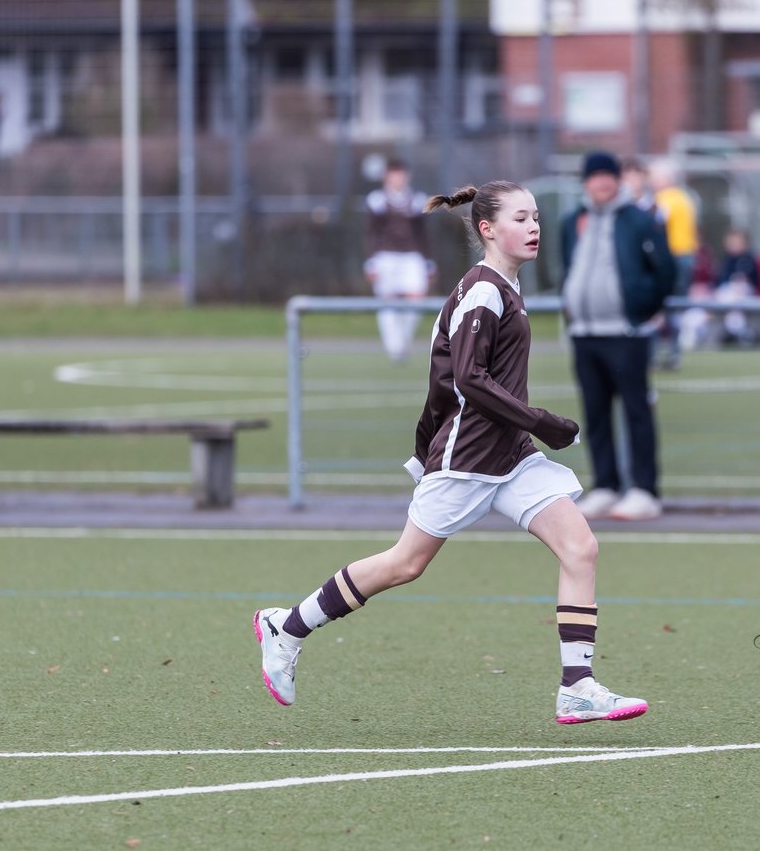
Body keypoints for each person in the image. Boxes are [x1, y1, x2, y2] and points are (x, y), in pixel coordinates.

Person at [255, 180, 649, 725]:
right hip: (468, 459)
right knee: (403, 564)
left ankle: (577, 686)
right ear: (487, 229)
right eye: (519, 218)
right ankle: (287, 626)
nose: (533, 227)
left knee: (580, 548)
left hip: (509, 457)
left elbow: (443, 384)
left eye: (535, 217)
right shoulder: (484, 291)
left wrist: (455, 436)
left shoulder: (502, 288)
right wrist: (541, 423)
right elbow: (467, 378)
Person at [560, 151, 676, 522]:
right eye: (595, 177)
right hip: (584, 332)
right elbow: (566, 264)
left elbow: (665, 270)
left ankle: (644, 489)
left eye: (608, 176)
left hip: (626, 333)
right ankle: (606, 486)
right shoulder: (572, 221)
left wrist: (642, 304)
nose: (602, 183)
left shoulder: (639, 219)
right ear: (585, 182)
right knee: (595, 414)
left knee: (636, 411)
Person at [363, 159, 435, 362]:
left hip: (412, 257)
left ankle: (403, 340)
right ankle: (394, 347)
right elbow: (371, 233)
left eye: (401, 173)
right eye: (393, 173)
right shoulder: (376, 200)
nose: (397, 178)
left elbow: (423, 234)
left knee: (416, 299)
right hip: (385, 257)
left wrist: (428, 261)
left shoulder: (417, 200)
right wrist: (371, 261)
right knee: (388, 303)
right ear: (386, 176)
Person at [650, 158, 699, 370]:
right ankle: (673, 353)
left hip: (671, 258)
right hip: (686, 255)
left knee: (656, 306)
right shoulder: (685, 198)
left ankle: (653, 354)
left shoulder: (664, 199)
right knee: (677, 307)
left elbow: (655, 225)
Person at [716, 229, 760, 344]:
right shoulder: (726, 260)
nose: (735, 244)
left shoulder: (749, 259)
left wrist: (743, 281)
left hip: (745, 292)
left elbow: (756, 280)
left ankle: (736, 333)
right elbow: (720, 281)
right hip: (728, 293)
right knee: (730, 300)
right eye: (732, 242)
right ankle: (739, 333)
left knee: (736, 300)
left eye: (737, 241)